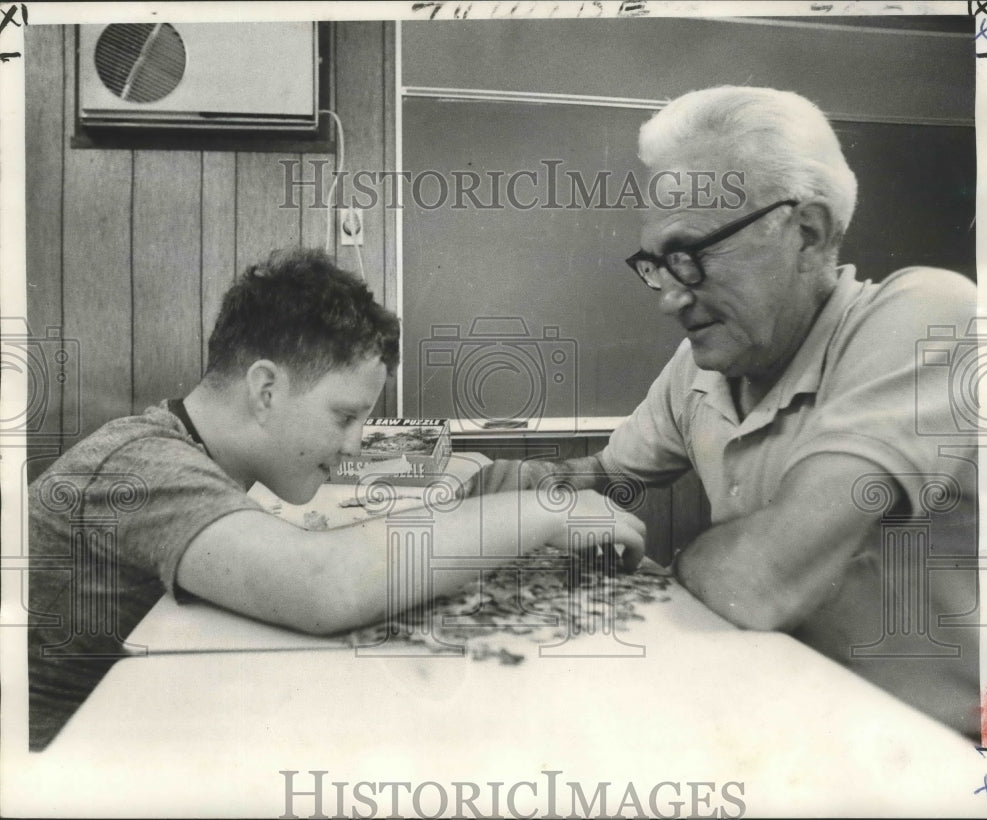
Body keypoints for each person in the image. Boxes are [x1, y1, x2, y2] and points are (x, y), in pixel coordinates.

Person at [479, 86, 982, 738]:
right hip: (779, 717)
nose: (668, 299)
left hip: (941, 756)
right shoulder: (706, 363)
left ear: (808, 232)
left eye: (692, 256)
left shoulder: (934, 315)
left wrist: (676, 560)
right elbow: (604, 474)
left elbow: (760, 578)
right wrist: (532, 487)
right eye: (658, 265)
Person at [27, 247, 646, 751]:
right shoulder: (141, 464)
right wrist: (547, 510)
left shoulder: (184, 449)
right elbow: (323, 586)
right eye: (345, 416)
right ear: (266, 389)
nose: (355, 444)